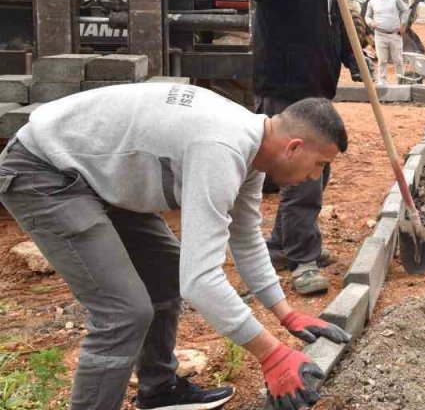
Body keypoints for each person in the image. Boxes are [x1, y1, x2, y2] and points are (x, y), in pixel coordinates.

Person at [0, 84, 352, 410]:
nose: (314, 177)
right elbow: (200, 282)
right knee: (123, 312)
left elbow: (245, 238)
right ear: (294, 147)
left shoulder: (251, 149)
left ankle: (158, 390)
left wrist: (285, 313)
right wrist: (272, 356)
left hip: (96, 173)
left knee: (166, 272)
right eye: (320, 165)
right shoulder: (222, 147)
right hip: (44, 169)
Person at [243, 0, 364, 295]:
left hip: (315, 90)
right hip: (284, 89)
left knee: (317, 171)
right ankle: (303, 260)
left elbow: (336, 26)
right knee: (304, 176)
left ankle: (282, 245)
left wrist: (353, 60)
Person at [363, 0, 410, 86]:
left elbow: (405, 11)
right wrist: (371, 23)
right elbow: (367, 16)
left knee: (398, 60)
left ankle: (400, 82)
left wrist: (403, 25)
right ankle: (382, 81)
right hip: (380, 35)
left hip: (395, 34)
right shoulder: (372, 1)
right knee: (382, 60)